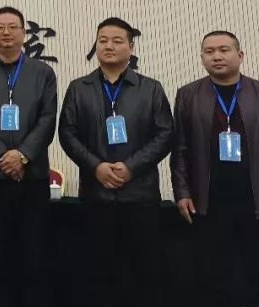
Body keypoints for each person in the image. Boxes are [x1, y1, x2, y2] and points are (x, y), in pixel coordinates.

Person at [170, 30, 259, 307]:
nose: (216, 56)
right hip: (208, 202)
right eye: (209, 51)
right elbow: (180, 150)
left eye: (224, 50)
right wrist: (182, 192)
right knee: (212, 279)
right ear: (202, 58)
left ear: (240, 55)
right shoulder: (188, 95)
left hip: (258, 201)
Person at [58, 17, 173, 307]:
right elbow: (67, 134)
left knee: (144, 273)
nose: (109, 46)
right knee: (97, 273)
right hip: (96, 195)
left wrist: (131, 167)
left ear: (131, 47)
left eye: (117, 41)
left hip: (141, 196)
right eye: (103, 40)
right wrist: (95, 166)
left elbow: (165, 135)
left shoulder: (151, 88)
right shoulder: (79, 88)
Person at [0, 6, 57, 307]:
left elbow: (48, 119)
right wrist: (3, 156)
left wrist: (23, 156)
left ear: (24, 33)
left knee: (34, 256)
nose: (6, 32)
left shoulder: (42, 73)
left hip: (33, 178)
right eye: (0, 27)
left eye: (13, 27)